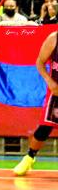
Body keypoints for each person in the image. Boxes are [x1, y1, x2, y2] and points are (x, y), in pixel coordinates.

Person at [13, 30, 58, 176]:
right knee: (45, 127)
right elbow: (39, 62)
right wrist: (49, 81)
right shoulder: (54, 38)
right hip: (56, 89)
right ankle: (29, 157)